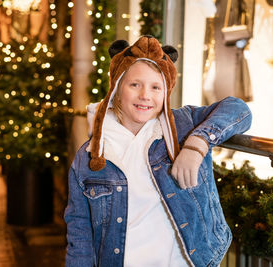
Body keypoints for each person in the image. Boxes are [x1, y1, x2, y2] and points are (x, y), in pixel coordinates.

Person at [65, 36, 252, 267]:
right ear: (116, 87)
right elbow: (79, 231)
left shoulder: (183, 125)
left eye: (156, 87)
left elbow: (239, 109)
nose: (145, 95)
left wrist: (196, 145)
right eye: (135, 85)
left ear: (166, 92)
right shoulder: (89, 156)